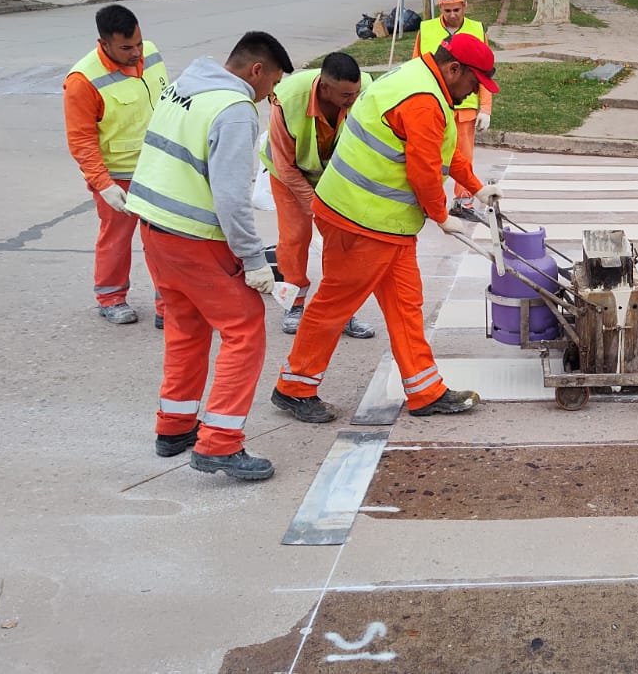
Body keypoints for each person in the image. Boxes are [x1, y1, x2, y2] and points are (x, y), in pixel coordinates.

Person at [270, 34, 501, 424]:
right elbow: (424, 170)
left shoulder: (420, 79)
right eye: (474, 83)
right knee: (334, 306)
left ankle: (425, 391)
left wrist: (477, 188)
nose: (475, 93)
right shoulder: (423, 99)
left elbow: (443, 149)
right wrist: (441, 216)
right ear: (454, 69)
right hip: (359, 220)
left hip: (383, 224)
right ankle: (294, 388)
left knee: (405, 306)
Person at [125, 32, 293, 481]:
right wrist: (253, 260)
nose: (270, 96)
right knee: (245, 329)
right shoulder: (234, 110)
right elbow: (232, 199)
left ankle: (175, 426)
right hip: (195, 237)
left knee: (186, 328)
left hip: (155, 229)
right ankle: (219, 443)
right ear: (256, 70)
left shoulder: (186, 85)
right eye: (272, 84)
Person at [258, 52, 378, 339]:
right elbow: (285, 165)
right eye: (346, 95)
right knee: (295, 238)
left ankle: (341, 310)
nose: (353, 99)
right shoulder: (287, 99)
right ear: (324, 88)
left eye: (355, 93)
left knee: (342, 240)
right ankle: (294, 304)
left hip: (335, 175)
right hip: (289, 174)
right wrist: (316, 205)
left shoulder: (365, 91)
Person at [63, 4, 169, 327]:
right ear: (104, 43)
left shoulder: (151, 53)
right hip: (118, 177)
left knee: (164, 240)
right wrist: (104, 184)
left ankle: (169, 304)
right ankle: (110, 298)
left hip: (159, 168)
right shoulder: (83, 80)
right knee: (116, 239)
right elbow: (81, 140)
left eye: (138, 43)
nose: (136, 52)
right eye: (126, 48)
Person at [412, 0, 495, 210]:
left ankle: (463, 201)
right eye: (447, 10)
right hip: (433, 103)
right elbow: (416, 66)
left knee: (463, 157)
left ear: (464, 6)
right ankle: (428, 201)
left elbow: (484, 72)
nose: (452, 15)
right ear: (440, 8)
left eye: (456, 10)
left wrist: (485, 108)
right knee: (430, 155)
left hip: (464, 107)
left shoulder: (476, 29)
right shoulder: (426, 29)